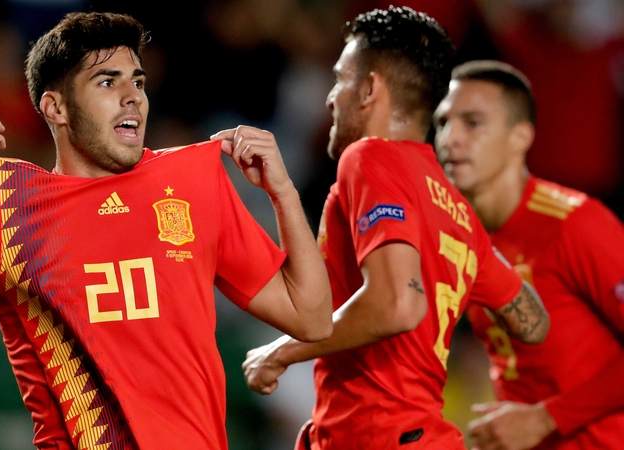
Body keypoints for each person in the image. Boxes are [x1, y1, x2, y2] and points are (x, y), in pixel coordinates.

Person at [0, 11, 333, 450]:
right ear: (55, 107)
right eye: (107, 81)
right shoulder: (11, 203)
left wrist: (284, 194)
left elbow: (309, 316)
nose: (132, 95)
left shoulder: (192, 182)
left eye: (137, 81)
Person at [240, 7, 550, 450]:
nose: (330, 97)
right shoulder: (456, 208)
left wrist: (281, 352)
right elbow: (533, 322)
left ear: (368, 89)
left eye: (339, 79)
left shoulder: (370, 158)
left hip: (378, 436)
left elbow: (398, 305)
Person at [434, 59, 624, 450]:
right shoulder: (462, 235)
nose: (450, 139)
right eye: (442, 123)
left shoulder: (576, 224)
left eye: (472, 123)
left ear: (520, 137)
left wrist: (546, 419)